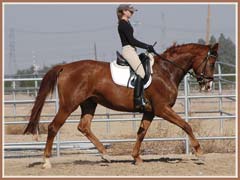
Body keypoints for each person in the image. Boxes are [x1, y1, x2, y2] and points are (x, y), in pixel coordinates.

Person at [116, 4, 155, 111]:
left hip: (132, 50)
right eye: (130, 11)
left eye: (132, 12)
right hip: (128, 50)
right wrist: (146, 46)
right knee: (141, 73)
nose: (132, 13)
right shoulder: (123, 24)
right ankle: (138, 100)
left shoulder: (127, 23)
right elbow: (132, 41)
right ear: (124, 11)